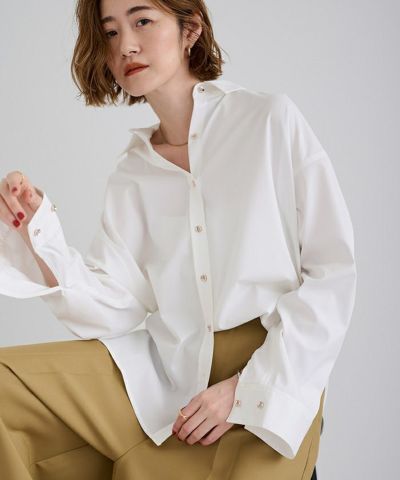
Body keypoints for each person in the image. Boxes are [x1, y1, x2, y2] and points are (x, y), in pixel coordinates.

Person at [0, 0, 356, 478]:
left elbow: (332, 274)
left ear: (191, 29)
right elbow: (116, 306)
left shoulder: (268, 121)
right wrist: (37, 234)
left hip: (274, 371)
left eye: (143, 21)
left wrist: (249, 388)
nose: (126, 45)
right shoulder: (132, 173)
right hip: (168, 379)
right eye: (110, 32)